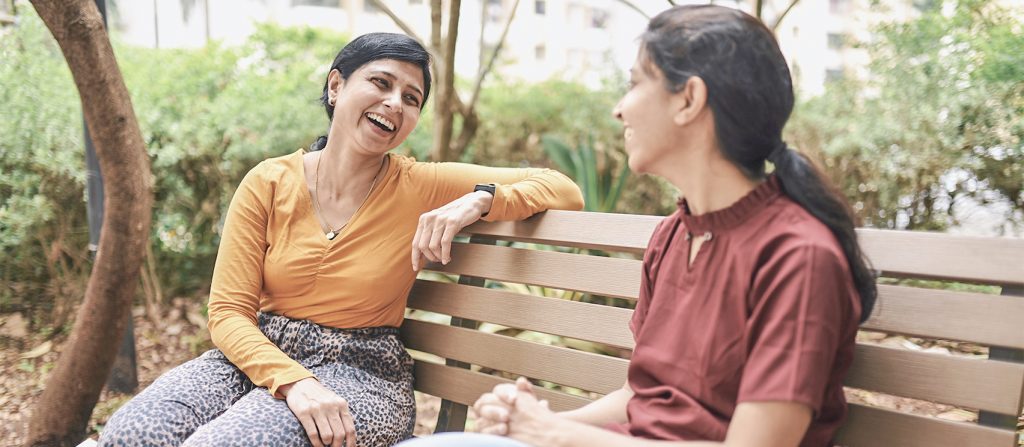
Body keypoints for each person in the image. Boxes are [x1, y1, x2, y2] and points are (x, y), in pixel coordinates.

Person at [398, 5, 877, 447]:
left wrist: (554, 434)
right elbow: (641, 396)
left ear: (688, 99)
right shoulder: (675, 234)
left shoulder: (798, 257)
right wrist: (537, 422)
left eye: (634, 84)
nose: (619, 108)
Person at [99, 32, 584, 447]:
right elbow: (228, 313)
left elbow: (564, 188)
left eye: (411, 98)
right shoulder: (269, 181)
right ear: (336, 85)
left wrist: (477, 200)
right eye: (380, 83)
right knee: (131, 435)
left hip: (362, 370)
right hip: (255, 357)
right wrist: (292, 381)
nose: (395, 102)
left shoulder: (421, 184)